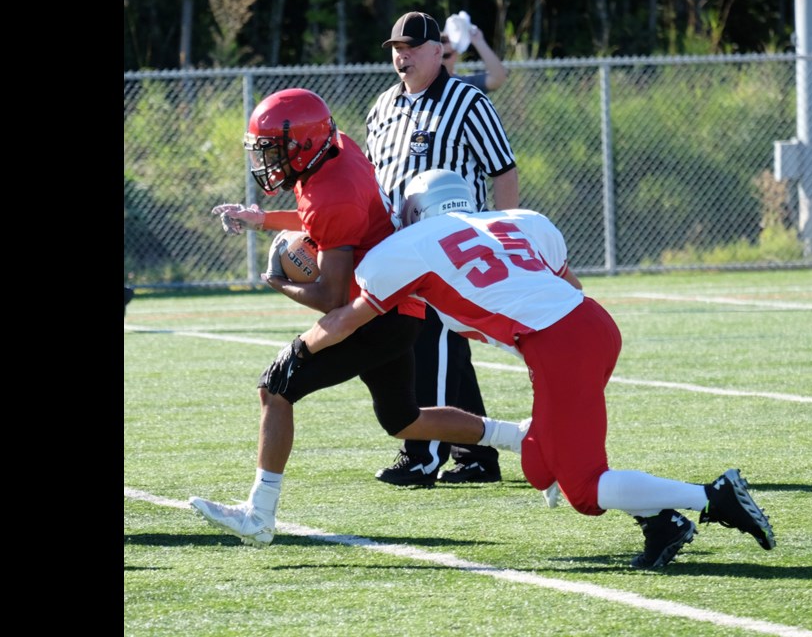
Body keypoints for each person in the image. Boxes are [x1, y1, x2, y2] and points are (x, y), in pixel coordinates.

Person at [281, 169, 777, 569]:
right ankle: (664, 523)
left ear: (414, 212)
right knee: (540, 465)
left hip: (558, 346)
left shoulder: (406, 247)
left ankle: (712, 497)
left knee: (584, 489)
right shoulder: (521, 220)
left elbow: (347, 317)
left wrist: (302, 347)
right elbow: (572, 288)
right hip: (592, 326)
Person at [188, 88, 530, 547]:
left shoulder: (333, 193)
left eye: (274, 150)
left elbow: (331, 295)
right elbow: (320, 219)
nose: (266, 160)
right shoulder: (337, 149)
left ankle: (259, 514)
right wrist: (263, 219)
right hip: (394, 307)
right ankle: (518, 437)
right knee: (404, 419)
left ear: (303, 145)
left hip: (370, 313)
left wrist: (279, 281)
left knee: (275, 388)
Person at [366, 11, 521, 488]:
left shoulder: (466, 100)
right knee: (447, 347)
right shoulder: (383, 106)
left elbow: (504, 170)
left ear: (439, 50)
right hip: (398, 248)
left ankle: (423, 454)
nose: (402, 55)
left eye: (412, 47)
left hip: (449, 247)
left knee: (430, 342)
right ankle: (475, 454)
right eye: (396, 47)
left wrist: (505, 233)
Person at [440, 26, 507, 94]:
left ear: (456, 54)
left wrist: (479, 41)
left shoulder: (466, 84)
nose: (440, 60)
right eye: (436, 55)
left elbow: (497, 78)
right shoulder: (428, 85)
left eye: (445, 55)